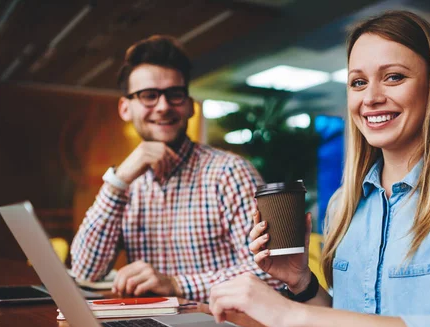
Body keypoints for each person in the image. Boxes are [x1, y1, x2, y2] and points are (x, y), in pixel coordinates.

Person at [209, 11, 430, 327]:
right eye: (357, 82)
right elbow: (348, 326)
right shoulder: (343, 204)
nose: (371, 98)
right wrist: (302, 284)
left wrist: (291, 313)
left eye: (394, 77)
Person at [71, 35, 281, 302]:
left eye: (175, 94)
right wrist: (119, 180)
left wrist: (176, 285)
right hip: (151, 326)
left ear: (190, 106)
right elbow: (85, 271)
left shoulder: (230, 172)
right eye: (149, 96)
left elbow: (271, 274)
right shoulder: (126, 185)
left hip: (222, 326)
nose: (163, 106)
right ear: (125, 108)